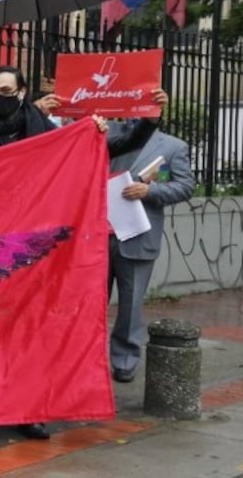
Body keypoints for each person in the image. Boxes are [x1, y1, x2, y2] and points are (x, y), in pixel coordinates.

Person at [0, 24, 164, 439]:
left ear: (23, 92)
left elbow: (111, 147)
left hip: (33, 249)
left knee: (29, 329)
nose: (1, 97)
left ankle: (30, 408)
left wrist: (148, 118)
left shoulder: (49, 133)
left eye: (9, 91)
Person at [108, 128, 193, 383]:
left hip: (138, 235)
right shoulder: (106, 133)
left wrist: (150, 191)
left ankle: (124, 361)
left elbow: (185, 187)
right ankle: (87, 359)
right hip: (97, 234)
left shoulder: (173, 146)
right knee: (90, 304)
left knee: (131, 305)